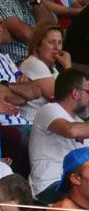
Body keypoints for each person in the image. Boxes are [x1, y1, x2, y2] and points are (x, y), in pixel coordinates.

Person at [29, 70, 89, 203]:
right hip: (50, 186)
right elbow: (70, 130)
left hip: (77, 183)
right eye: (88, 93)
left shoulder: (80, 122)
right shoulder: (49, 109)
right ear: (75, 93)